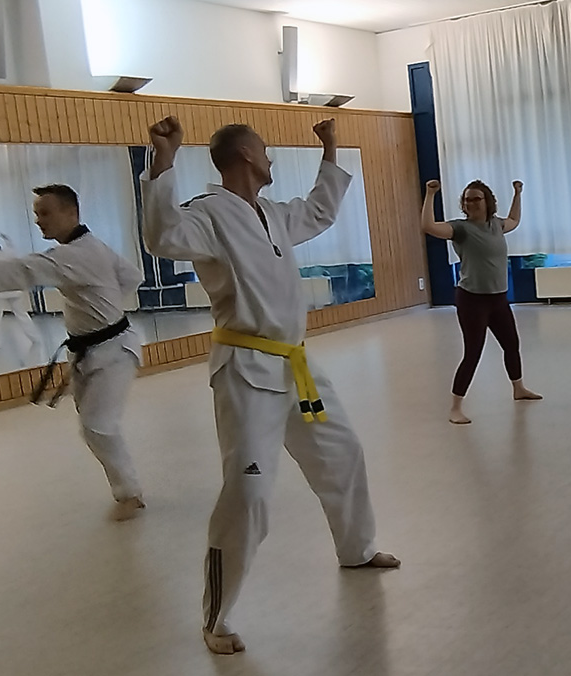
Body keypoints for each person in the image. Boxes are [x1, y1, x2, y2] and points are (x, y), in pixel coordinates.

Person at [140, 116, 400, 655]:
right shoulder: (209, 214)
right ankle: (216, 616)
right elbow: (162, 237)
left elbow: (321, 210)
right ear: (243, 155)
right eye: (263, 149)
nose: (270, 157)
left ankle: (356, 548)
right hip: (245, 371)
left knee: (342, 454)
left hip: (296, 366)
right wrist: (163, 161)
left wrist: (331, 149)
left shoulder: (274, 214)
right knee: (249, 492)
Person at [0, 185, 145, 521]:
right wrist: (104, 304)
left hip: (114, 352)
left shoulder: (75, 255)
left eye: (45, 213)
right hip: (90, 350)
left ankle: (130, 494)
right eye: (36, 214)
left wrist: (106, 315)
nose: (38, 220)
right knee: (92, 425)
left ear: (71, 213)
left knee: (97, 426)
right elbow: (132, 276)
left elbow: (23, 270)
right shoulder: (89, 246)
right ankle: (127, 490)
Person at [420, 178, 542, 425]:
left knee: (511, 344)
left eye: (476, 198)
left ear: (487, 202)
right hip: (472, 300)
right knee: (473, 352)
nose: (471, 203)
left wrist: (517, 194)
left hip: (499, 299)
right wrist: (430, 194)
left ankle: (518, 388)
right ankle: (455, 407)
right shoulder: (461, 229)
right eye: (467, 199)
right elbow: (428, 226)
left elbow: (514, 220)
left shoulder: (496, 225)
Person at [0, 234, 44, 361]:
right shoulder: (7, 253)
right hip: (15, 289)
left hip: (0, 290)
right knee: (22, 315)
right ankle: (35, 337)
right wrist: (6, 239)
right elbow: (12, 249)